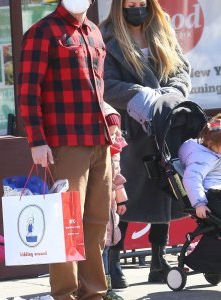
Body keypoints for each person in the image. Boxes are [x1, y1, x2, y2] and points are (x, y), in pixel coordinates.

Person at [18, 0, 113, 299]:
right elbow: (27, 92)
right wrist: (36, 140)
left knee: (96, 224)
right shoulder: (42, 32)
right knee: (65, 224)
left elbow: (99, 91)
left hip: (101, 142)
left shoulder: (95, 33)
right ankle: (64, 294)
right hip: (65, 144)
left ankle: (94, 293)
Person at [99, 0, 191, 284]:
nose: (137, 8)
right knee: (126, 192)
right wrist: (139, 94)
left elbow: (181, 69)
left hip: (164, 121)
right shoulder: (107, 35)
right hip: (129, 126)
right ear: (119, 5)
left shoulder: (161, 26)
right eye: (131, 4)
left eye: (141, 3)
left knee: (165, 187)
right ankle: (113, 260)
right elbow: (105, 82)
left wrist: (171, 94)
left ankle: (159, 258)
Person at [103, 105, 128, 299]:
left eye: (115, 133)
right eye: (109, 133)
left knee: (109, 243)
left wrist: (121, 201)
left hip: (111, 205)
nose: (113, 137)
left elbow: (117, 178)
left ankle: (107, 281)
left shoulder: (115, 150)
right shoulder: (100, 151)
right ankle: (102, 283)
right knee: (100, 245)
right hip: (101, 204)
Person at [179, 114, 221, 229]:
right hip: (212, 196)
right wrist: (200, 203)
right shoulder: (202, 159)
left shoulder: (212, 152)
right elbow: (192, 179)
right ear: (211, 143)